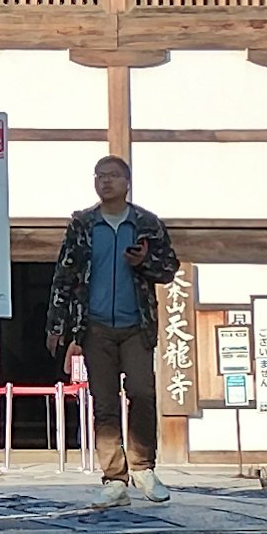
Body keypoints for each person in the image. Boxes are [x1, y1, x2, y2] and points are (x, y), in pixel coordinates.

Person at [45, 155, 179, 510]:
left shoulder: (147, 224)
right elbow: (65, 275)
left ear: (127, 182)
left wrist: (143, 263)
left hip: (136, 324)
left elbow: (168, 269)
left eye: (113, 176)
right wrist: (57, 326)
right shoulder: (83, 225)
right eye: (99, 176)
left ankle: (143, 466)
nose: (105, 182)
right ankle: (114, 479)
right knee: (104, 404)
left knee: (142, 392)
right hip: (95, 326)